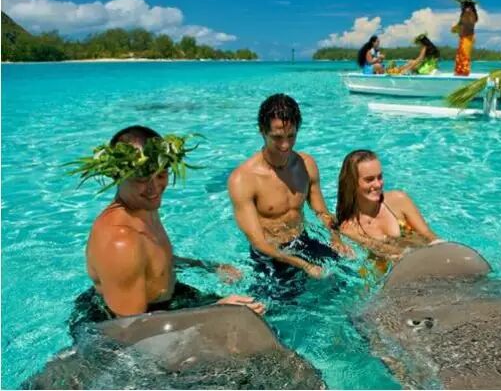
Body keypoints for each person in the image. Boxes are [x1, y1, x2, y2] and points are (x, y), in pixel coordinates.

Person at [68, 126, 265, 340]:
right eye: (142, 179)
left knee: (264, 313)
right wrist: (216, 312)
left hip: (163, 307)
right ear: (116, 175)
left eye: (161, 175)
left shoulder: (143, 208)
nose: (154, 188)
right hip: (120, 330)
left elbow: (154, 260)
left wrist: (206, 266)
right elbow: (131, 333)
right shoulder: (121, 241)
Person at [228, 94, 352, 298]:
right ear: (262, 131)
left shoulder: (306, 165)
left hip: (302, 241)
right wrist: (305, 266)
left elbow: (321, 212)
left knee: (348, 278)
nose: (285, 145)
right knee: (280, 307)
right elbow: (259, 242)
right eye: (277, 137)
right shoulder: (243, 179)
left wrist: (336, 238)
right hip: (270, 254)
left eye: (291, 136)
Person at [335, 150, 439, 276]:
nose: (378, 184)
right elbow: (383, 251)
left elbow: (428, 235)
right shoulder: (350, 228)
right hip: (390, 277)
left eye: (380, 177)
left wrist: (442, 248)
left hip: (423, 261)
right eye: (369, 180)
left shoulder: (399, 200)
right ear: (352, 184)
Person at [452, 0, 478, 76]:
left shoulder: (469, 12)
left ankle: (464, 73)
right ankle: (459, 72)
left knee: (464, 55)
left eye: (462, 4)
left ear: (465, 4)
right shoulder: (464, 13)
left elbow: (470, 24)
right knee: (460, 55)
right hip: (464, 36)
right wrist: (456, 28)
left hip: (468, 36)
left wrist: (460, 28)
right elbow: (460, 23)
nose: (460, 5)